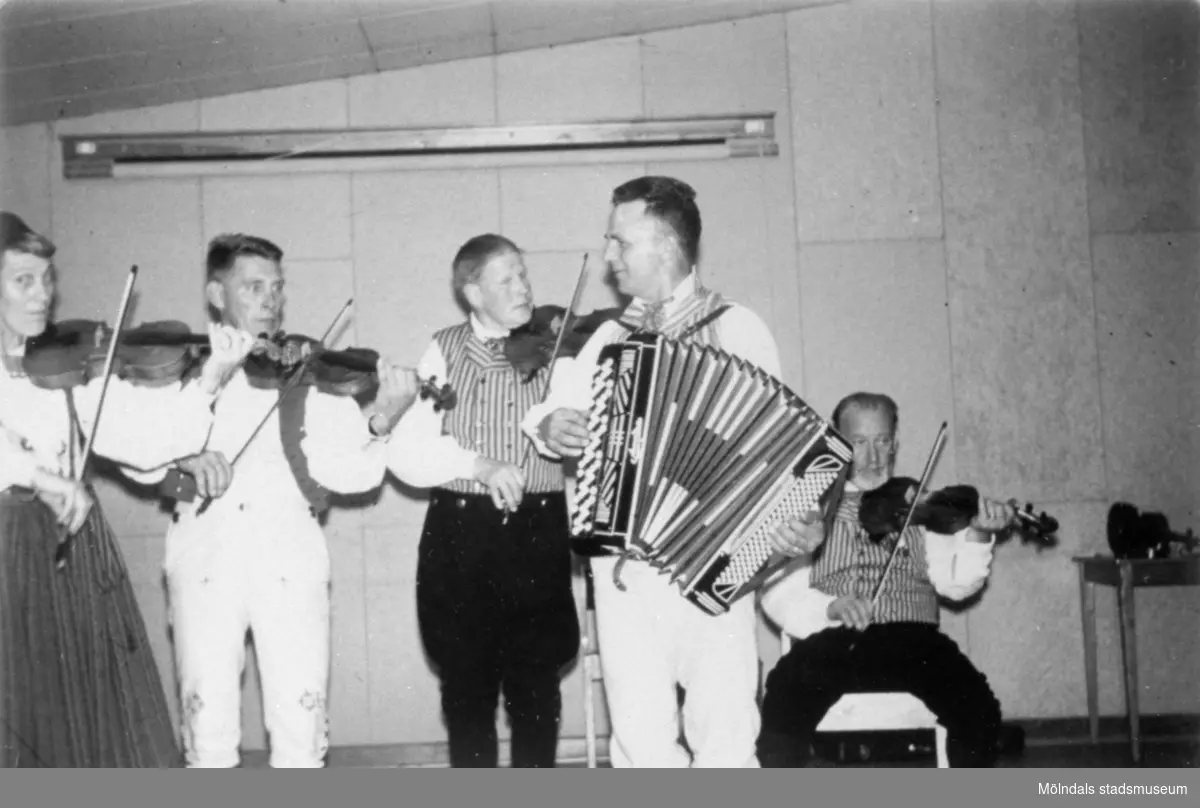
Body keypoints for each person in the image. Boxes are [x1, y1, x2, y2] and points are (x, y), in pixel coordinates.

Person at [522, 176, 825, 768]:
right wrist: (554, 423)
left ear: (664, 246)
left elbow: (779, 447)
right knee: (638, 739)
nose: (609, 255)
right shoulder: (609, 335)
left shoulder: (739, 327)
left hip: (714, 561)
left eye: (620, 242)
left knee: (725, 731)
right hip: (624, 571)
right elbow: (551, 410)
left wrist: (799, 518)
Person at [122, 233, 418, 768]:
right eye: (253, 286)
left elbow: (350, 476)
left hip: (290, 553)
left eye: (276, 287)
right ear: (216, 294)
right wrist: (185, 452)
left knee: (299, 732)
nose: (269, 300)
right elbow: (133, 451)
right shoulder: (180, 366)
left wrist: (384, 418)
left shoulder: (306, 368)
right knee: (207, 728)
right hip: (205, 552)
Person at [0, 211, 254, 767]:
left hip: (72, 552)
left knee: (85, 715)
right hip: (7, 551)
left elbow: (139, 437)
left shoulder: (61, 367)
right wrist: (39, 478)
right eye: (24, 279)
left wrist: (209, 378)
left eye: (47, 278)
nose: (43, 294)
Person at [386, 234, 580, 768]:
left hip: (537, 530)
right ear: (473, 293)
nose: (524, 287)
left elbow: (565, 421)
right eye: (507, 279)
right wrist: (477, 464)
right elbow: (407, 452)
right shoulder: (442, 349)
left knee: (537, 691)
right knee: (467, 690)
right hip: (463, 534)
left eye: (524, 274)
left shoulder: (557, 348)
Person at [756, 391, 1008, 767]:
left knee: (978, 708)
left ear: (895, 443)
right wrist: (830, 608)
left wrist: (977, 536)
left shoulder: (922, 506)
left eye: (883, 442)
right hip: (839, 642)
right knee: (784, 695)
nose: (873, 458)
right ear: (838, 444)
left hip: (915, 642)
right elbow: (776, 590)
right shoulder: (813, 505)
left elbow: (956, 586)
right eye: (859, 443)